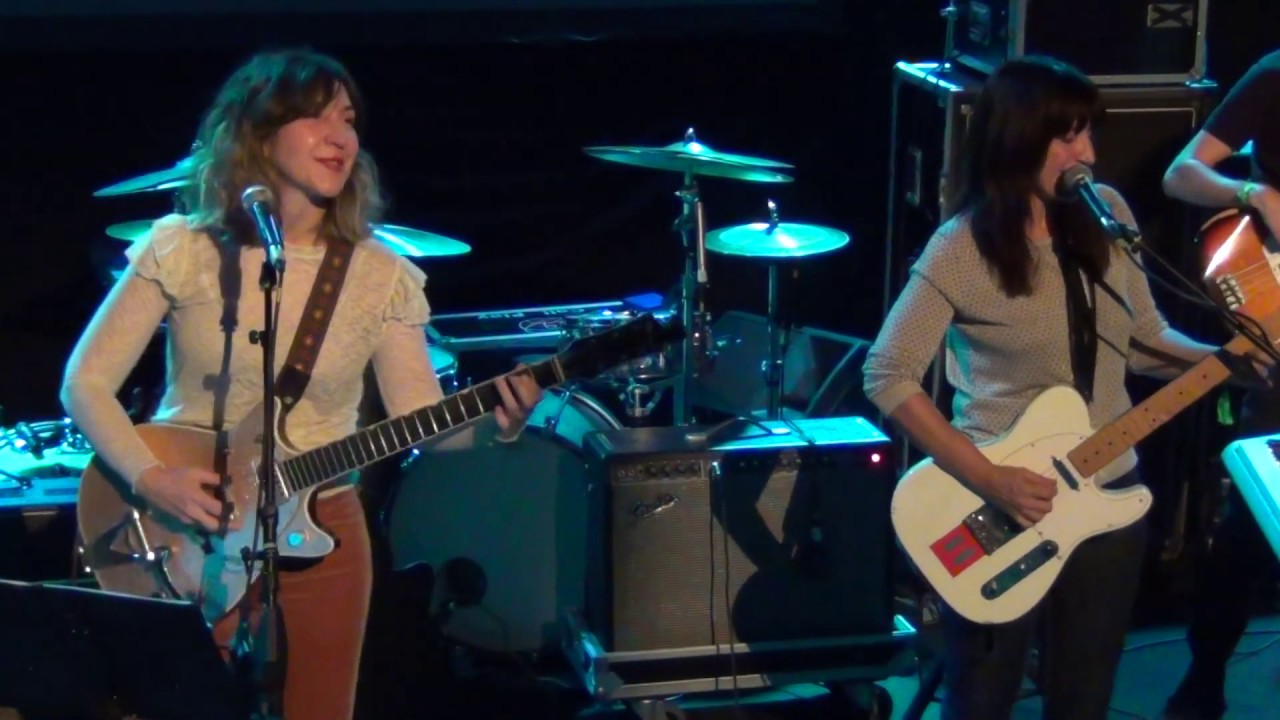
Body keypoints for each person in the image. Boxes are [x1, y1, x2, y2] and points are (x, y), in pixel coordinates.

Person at [60, 49, 543, 720]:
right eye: (316, 117)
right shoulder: (183, 247)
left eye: (348, 120)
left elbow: (424, 424)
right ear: (258, 132)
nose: (341, 136)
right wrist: (151, 479)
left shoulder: (381, 273)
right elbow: (83, 383)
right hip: (184, 516)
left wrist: (498, 426)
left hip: (325, 529)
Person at [863, 56, 1229, 719]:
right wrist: (989, 478)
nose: (1087, 152)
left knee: (1084, 698)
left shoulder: (1107, 214)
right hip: (1002, 505)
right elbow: (886, 374)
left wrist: (1231, 356)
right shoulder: (961, 248)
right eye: (1068, 135)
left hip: (1109, 491)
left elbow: (1145, 338)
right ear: (1019, 137)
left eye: (1089, 131)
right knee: (984, 701)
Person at [1160, 48, 1280, 720]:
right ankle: (1203, 679)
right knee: (1258, 514)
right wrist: (1252, 192)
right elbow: (1182, 174)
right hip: (1277, 317)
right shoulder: (1274, 77)